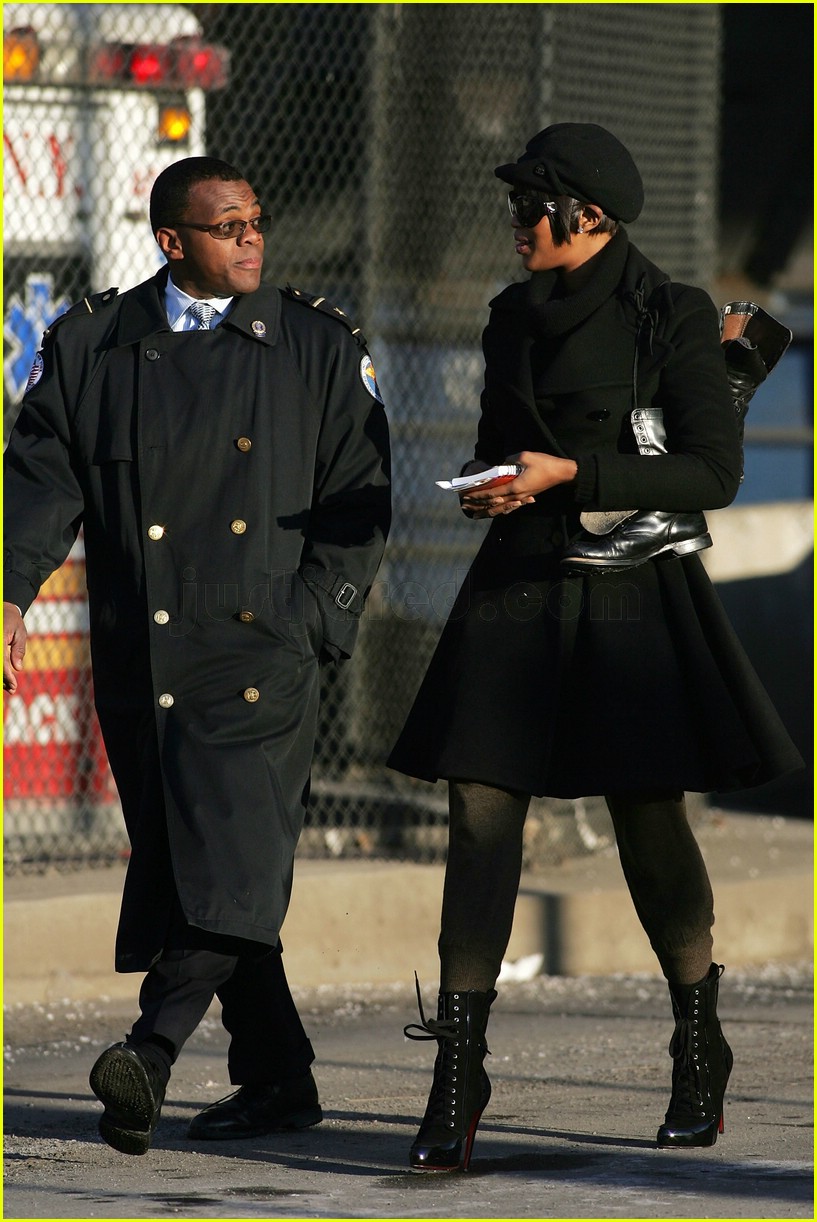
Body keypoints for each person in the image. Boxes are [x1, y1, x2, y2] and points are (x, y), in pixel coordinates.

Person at [388, 123, 803, 1171]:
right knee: (479, 808)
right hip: (519, 584)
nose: (516, 222)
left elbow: (710, 473)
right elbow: (500, 442)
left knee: (646, 816)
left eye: (531, 206)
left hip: (629, 592)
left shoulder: (671, 312)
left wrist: (572, 474)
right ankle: (458, 1071)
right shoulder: (509, 315)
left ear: (589, 215)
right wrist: (494, 484)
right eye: (514, 205)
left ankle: (697, 1039)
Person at [3, 157, 391, 1155]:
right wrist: (8, 592)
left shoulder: (312, 344)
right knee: (203, 866)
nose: (252, 238)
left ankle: (151, 1050)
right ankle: (279, 1078)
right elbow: (40, 482)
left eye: (257, 220)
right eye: (228, 226)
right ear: (172, 241)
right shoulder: (94, 343)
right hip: (144, 654)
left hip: (261, 651)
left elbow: (360, 495)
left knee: (228, 855)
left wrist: (317, 618)